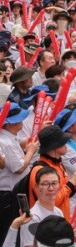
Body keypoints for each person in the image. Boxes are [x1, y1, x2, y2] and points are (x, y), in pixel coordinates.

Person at [0, 103, 38, 242]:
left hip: (13, 192)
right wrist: (31, 152)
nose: (22, 122)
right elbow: (18, 168)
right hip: (9, 195)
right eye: (18, 120)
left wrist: (25, 146)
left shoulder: (10, 137)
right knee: (8, 229)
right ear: (10, 124)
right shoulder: (6, 141)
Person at [20, 167, 64, 247]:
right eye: (45, 184)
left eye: (54, 183)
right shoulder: (32, 217)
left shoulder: (58, 212)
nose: (51, 188)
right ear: (36, 187)